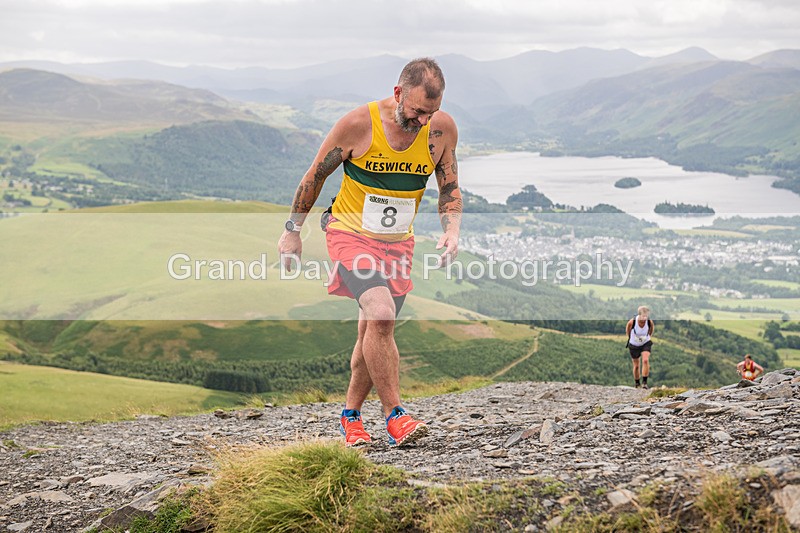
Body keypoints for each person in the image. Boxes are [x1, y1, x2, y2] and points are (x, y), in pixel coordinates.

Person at [277, 58, 462, 447]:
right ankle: (395, 415)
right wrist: (292, 231)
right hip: (349, 233)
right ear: (398, 94)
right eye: (415, 112)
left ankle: (350, 417)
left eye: (430, 113)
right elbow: (315, 176)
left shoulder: (441, 130)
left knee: (371, 332)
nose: (422, 121)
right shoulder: (359, 124)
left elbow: (449, 187)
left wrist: (452, 230)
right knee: (381, 316)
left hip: (398, 243)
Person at [626, 306, 654, 389]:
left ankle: (644, 383)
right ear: (639, 315)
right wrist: (632, 339)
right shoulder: (632, 322)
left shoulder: (649, 322)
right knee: (636, 365)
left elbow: (651, 330)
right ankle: (637, 383)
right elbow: (628, 331)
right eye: (643, 316)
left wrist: (647, 337)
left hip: (645, 343)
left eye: (646, 316)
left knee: (645, 360)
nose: (645, 318)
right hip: (634, 344)